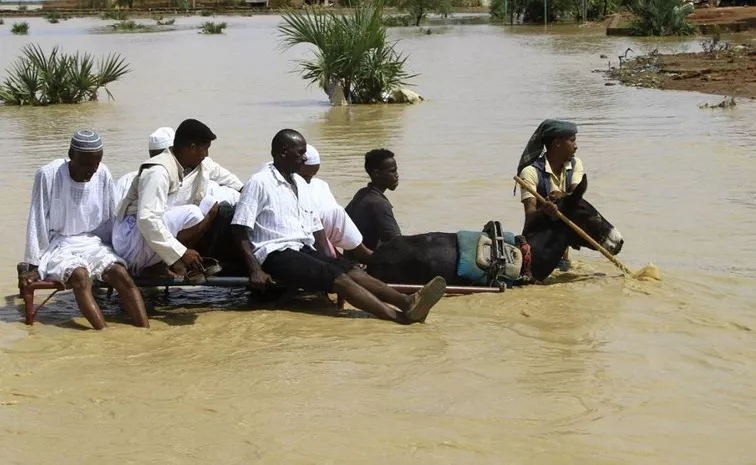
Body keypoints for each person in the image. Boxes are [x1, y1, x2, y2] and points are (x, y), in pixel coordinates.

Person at [232, 129, 446, 325]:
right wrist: (255, 269)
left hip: (301, 248)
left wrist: (333, 260)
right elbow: (240, 227)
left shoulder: (298, 183)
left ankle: (406, 301)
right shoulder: (259, 182)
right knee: (339, 279)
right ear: (282, 152)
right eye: (300, 152)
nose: (304, 157)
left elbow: (316, 228)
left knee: (349, 269)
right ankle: (399, 318)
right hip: (275, 253)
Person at [21, 130, 149, 330]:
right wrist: (34, 263)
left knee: (121, 275)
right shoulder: (48, 174)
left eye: (96, 164)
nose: (92, 170)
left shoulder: (103, 173)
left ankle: (145, 332)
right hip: (59, 243)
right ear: (71, 155)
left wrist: (119, 251)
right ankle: (104, 334)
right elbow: (37, 218)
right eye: (87, 164)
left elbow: (110, 217)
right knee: (80, 277)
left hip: (92, 241)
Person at [113, 119, 240, 278]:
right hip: (130, 242)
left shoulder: (180, 166)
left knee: (200, 209)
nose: (206, 155)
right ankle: (170, 262)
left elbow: (225, 177)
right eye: (205, 149)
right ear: (192, 148)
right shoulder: (158, 172)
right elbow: (146, 220)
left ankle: (162, 262)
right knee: (192, 212)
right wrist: (181, 252)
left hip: (139, 236)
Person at [515, 119, 584, 270]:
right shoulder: (530, 172)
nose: (576, 146)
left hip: (561, 254)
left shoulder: (574, 165)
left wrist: (562, 196)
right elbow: (530, 218)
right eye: (572, 140)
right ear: (557, 142)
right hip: (536, 254)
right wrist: (543, 211)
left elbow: (576, 197)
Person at [298, 144, 374, 264]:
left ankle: (356, 251)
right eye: (305, 176)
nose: (309, 180)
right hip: (304, 237)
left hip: (323, 234)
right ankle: (361, 253)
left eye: (312, 176)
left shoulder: (319, 185)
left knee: (335, 210)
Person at [344, 149, 401, 252]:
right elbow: (397, 243)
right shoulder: (379, 204)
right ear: (376, 174)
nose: (397, 175)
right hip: (368, 262)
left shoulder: (362, 193)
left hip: (353, 258)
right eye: (392, 171)